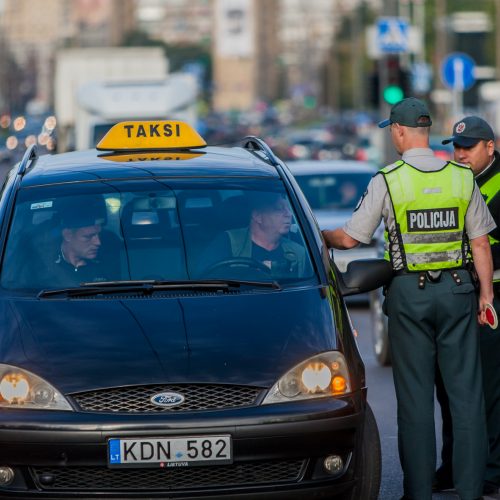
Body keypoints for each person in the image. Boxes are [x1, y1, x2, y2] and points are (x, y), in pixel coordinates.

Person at [322, 97, 494, 500]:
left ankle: (418, 491)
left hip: (409, 297)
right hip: (457, 291)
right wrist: (485, 294)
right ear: (426, 131)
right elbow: (481, 243)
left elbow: (351, 238)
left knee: (415, 398)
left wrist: (318, 235)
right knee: (466, 396)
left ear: (399, 132)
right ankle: (469, 491)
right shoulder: (460, 177)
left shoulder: (389, 179)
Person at [434, 116, 500, 496]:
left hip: (491, 297)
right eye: (456, 147)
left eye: (468, 148)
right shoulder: (455, 179)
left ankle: (491, 469)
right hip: (458, 293)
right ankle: (455, 464)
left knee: (489, 387)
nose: (459, 155)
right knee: (450, 385)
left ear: (489, 148)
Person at [201, 192, 307, 278]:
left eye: (288, 209)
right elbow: (206, 281)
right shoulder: (227, 241)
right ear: (257, 216)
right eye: (278, 209)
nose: (289, 214)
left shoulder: (298, 252)